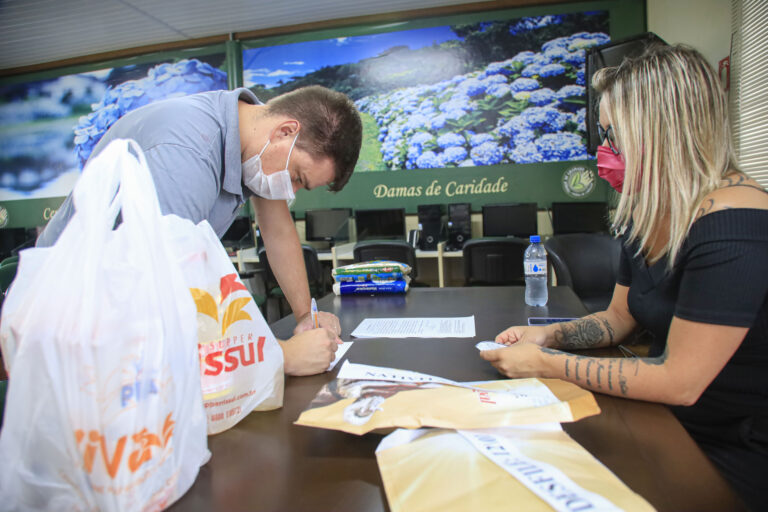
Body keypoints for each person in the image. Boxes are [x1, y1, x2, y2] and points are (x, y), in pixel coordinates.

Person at [480, 44, 768, 510]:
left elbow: (681, 381)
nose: (605, 151)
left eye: (614, 136)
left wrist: (546, 364)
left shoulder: (735, 222)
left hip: (733, 443)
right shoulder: (650, 213)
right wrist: (548, 336)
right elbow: (618, 319)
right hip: (666, 420)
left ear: (662, 131)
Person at [38, 85, 363, 377]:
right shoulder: (188, 151)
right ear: (285, 131)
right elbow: (165, 290)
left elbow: (278, 231)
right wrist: (277, 356)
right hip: (72, 311)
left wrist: (307, 315)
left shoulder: (256, 135)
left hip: (123, 303)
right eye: (296, 177)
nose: (290, 190)